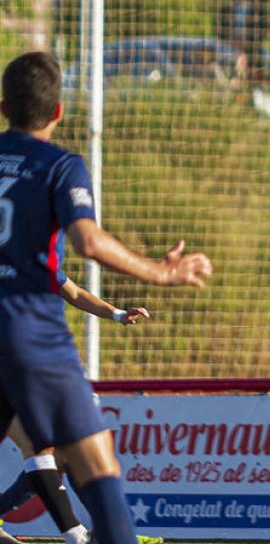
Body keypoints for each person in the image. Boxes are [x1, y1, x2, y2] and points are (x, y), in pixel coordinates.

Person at [0, 51, 212, 544]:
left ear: (4, 105)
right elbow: (88, 242)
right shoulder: (60, 165)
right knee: (96, 462)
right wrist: (161, 272)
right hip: (29, 329)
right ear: (57, 112)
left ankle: (76, 534)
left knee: (37, 446)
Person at [0, 279, 159, 544]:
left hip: (36, 368)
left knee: (56, 454)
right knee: (47, 452)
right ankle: (97, 533)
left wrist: (117, 313)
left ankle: (100, 532)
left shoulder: (37, 259)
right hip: (19, 372)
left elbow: (74, 292)